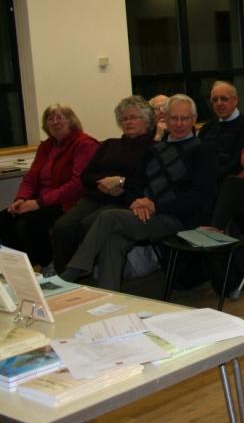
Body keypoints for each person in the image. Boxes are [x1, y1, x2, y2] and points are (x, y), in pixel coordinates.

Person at [62, 95, 218, 290]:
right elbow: (134, 184)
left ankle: (72, 273)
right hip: (148, 216)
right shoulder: (155, 149)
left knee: (109, 217)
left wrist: (155, 206)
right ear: (165, 119)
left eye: (185, 118)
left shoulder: (203, 151)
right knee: (113, 239)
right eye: (174, 118)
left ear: (194, 119)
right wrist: (137, 202)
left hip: (179, 219)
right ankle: (108, 295)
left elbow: (199, 197)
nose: (179, 124)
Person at [50, 96, 156, 273]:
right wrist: (102, 182)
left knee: (88, 225)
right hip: (95, 197)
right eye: (124, 118)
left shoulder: (153, 148)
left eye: (133, 117)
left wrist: (121, 181)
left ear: (146, 120)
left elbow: (147, 179)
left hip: (122, 200)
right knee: (63, 225)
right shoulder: (109, 144)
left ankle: (79, 272)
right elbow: (86, 175)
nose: (127, 122)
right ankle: (62, 275)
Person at [0, 104, 99, 267]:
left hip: (67, 202)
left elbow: (77, 184)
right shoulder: (46, 146)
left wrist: (38, 203)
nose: (55, 122)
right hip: (40, 201)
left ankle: (44, 266)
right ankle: (21, 266)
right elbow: (30, 178)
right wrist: (21, 198)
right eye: (50, 118)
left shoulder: (84, 144)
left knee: (30, 224)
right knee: (4, 219)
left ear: (71, 121)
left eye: (61, 117)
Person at [197, 81, 244, 181]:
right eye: (215, 100)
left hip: (231, 182)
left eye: (224, 99)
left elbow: (240, 161)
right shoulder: (207, 127)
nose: (219, 103)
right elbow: (198, 155)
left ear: (235, 100)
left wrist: (213, 176)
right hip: (205, 180)